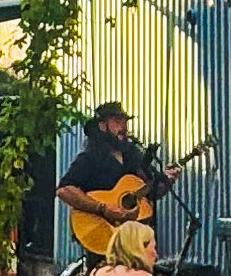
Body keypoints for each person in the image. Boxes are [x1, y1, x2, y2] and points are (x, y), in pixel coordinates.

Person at [55, 102, 161, 244]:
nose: (123, 128)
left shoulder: (132, 155)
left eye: (125, 122)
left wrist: (168, 180)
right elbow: (64, 190)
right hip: (100, 232)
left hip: (131, 236)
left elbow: (150, 192)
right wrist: (102, 209)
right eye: (117, 122)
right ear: (102, 126)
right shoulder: (90, 156)